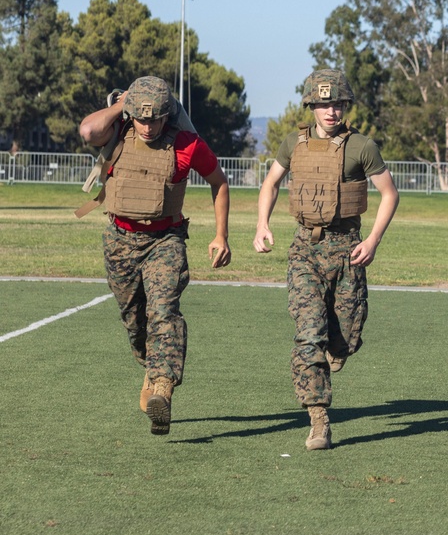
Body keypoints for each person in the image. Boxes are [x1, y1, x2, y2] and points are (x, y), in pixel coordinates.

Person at [77, 75, 232, 435]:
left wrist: (221, 235)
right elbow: (87, 131)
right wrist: (122, 104)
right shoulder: (117, 134)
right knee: (136, 323)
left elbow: (219, 182)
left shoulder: (186, 144)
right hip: (120, 240)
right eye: (141, 118)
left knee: (164, 311)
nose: (148, 127)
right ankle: (151, 364)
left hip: (165, 239)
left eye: (155, 119)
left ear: (168, 116)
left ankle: (163, 386)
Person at [254, 68, 399, 451]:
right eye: (323, 104)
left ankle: (340, 348)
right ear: (312, 106)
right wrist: (261, 225)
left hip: (348, 248)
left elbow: (389, 194)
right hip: (305, 249)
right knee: (309, 332)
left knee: (345, 336)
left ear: (345, 106)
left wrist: (373, 240)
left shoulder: (361, 147)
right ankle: (318, 419)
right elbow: (270, 183)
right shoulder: (293, 144)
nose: (330, 111)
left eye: (336, 104)